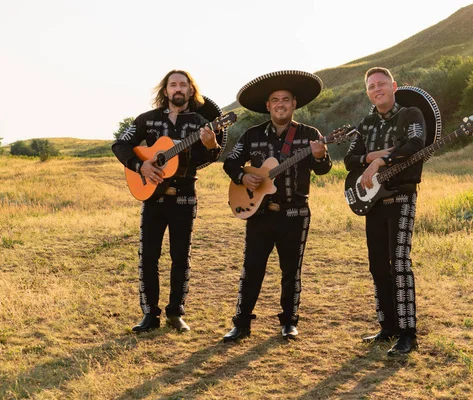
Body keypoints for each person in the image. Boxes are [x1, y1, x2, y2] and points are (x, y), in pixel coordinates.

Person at [222, 70, 332, 341]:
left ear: (294, 103)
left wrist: (319, 155)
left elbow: (324, 169)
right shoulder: (252, 135)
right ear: (268, 105)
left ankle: (289, 322)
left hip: (295, 213)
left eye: (285, 99)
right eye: (275, 100)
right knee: (252, 269)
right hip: (258, 213)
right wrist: (242, 176)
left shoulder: (310, 134)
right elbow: (230, 162)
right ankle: (242, 323)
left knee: (291, 270)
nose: (280, 104)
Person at [112, 70, 225, 332]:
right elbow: (120, 145)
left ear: (190, 91)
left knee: (180, 257)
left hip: (184, 198)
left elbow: (208, 156)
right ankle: (150, 314)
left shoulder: (200, 122)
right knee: (148, 256)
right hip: (152, 198)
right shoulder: (146, 120)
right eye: (173, 84)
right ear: (165, 91)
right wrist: (141, 166)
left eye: (183, 85)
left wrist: (210, 144)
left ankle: (175, 313)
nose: (177, 89)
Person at [344, 67, 441, 355]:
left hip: (401, 196)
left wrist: (378, 163)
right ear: (368, 93)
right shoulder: (366, 123)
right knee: (377, 265)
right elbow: (350, 159)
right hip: (374, 201)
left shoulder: (411, 115)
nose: (377, 89)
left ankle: (408, 334)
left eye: (382, 84)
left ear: (394, 86)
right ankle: (387, 328)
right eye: (372, 86)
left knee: (399, 263)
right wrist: (372, 157)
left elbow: (415, 144)